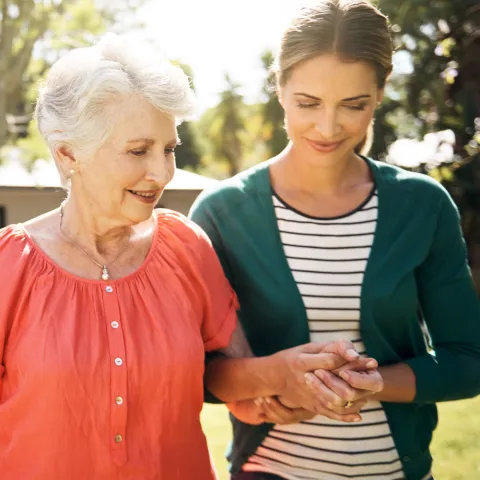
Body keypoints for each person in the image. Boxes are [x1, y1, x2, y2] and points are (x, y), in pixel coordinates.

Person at [0, 33, 382, 480]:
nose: (161, 173)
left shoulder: (185, 247)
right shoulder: (10, 265)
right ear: (69, 154)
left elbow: (233, 380)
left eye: (169, 149)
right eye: (138, 151)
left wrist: (297, 378)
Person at [189, 1, 480, 480]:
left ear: (381, 92)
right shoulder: (221, 214)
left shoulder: (423, 206)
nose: (327, 128)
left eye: (354, 105)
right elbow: (198, 373)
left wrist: (371, 384)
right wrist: (280, 374)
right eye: (308, 103)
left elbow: (466, 362)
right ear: (279, 86)